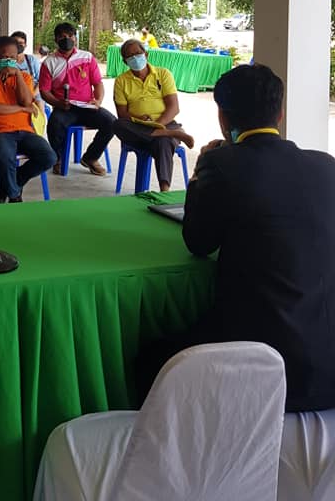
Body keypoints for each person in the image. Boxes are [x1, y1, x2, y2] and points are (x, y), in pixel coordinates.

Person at [137, 63, 335, 413]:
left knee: (149, 358)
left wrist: (199, 174)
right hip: (326, 358)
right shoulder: (326, 165)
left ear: (223, 117)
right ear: (280, 113)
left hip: (263, 364)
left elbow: (199, 242)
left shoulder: (221, 163)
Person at [0, 36, 57, 203]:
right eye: (4, 57)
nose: (9, 61)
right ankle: (14, 195)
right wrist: (22, 109)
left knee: (49, 157)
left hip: (25, 131)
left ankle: (13, 183)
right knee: (5, 157)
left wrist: (17, 74)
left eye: (12, 57)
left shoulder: (24, 77)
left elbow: (26, 101)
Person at [112, 38, 193, 191]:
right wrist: (138, 119)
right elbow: (122, 113)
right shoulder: (121, 81)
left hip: (166, 123)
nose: (135, 58)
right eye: (130, 56)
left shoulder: (163, 74)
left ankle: (164, 189)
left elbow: (174, 107)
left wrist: (158, 125)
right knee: (117, 124)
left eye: (138, 53)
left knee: (163, 141)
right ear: (125, 61)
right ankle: (168, 134)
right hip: (138, 127)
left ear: (146, 54)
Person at [39, 22, 116, 176]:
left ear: (75, 38)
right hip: (64, 108)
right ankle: (58, 159)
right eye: (62, 37)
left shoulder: (87, 57)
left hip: (87, 107)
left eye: (70, 36)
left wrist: (98, 101)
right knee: (54, 124)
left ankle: (90, 158)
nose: (67, 39)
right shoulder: (49, 62)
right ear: (56, 40)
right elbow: (44, 91)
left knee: (112, 123)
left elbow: (97, 83)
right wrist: (58, 103)